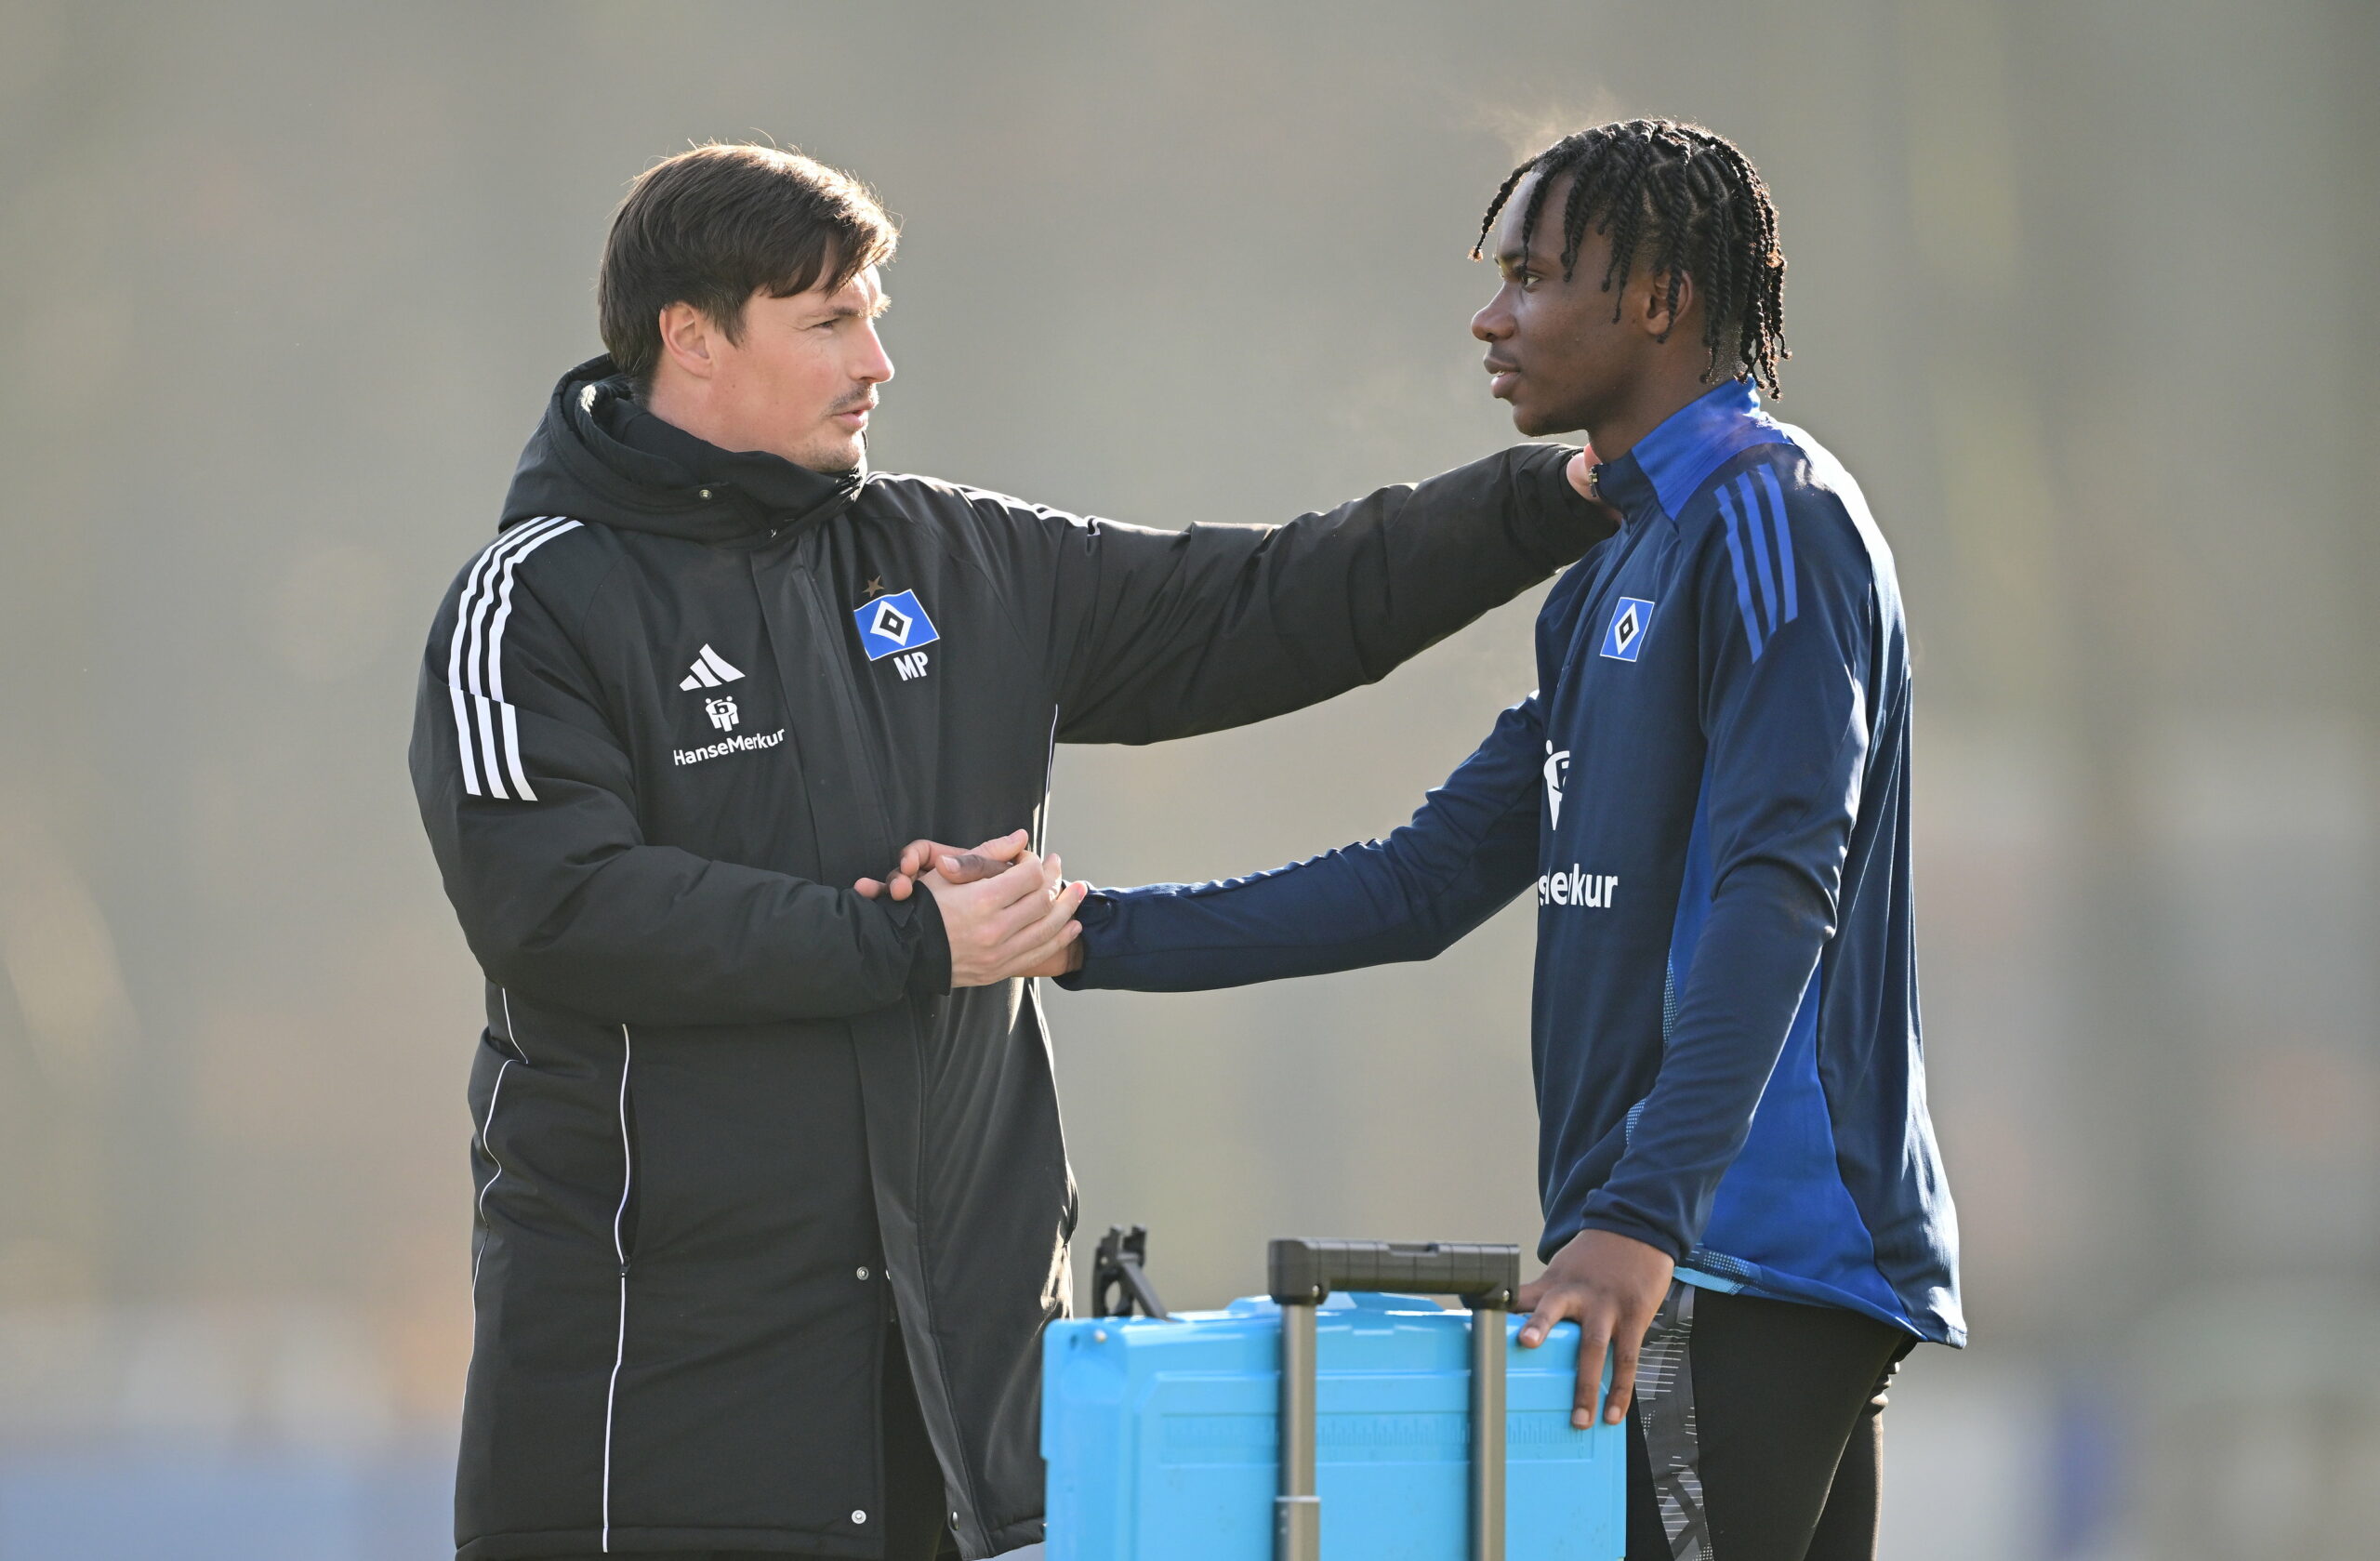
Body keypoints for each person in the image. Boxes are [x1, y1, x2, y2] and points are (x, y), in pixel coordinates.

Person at [407, 142, 1609, 1561]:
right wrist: (917, 945)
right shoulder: (532, 599)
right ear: (692, 338)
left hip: (957, 1429)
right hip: (653, 1434)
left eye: (877, 310)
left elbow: (1272, 599)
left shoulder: (953, 559)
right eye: (831, 321)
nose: (878, 360)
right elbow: (555, 905)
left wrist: (1567, 494)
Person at [909, 119, 1962, 1561]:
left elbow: (1783, 891)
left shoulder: (1775, 520)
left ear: (1656, 299)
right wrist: (1083, 929)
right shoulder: (1608, 574)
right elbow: (1421, 881)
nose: (1491, 314)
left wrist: (1644, 1217)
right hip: (1689, 1256)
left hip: (1742, 1250)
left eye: (1532, 276)